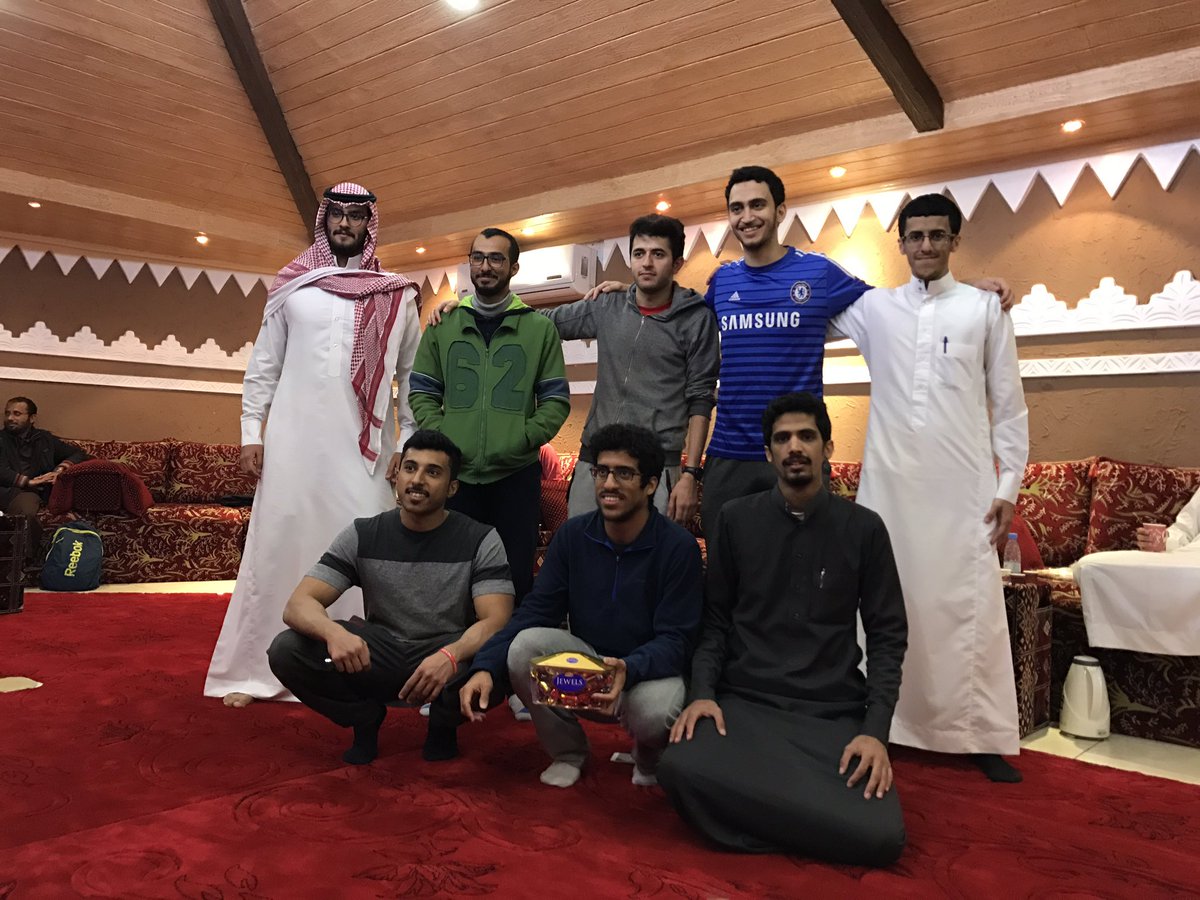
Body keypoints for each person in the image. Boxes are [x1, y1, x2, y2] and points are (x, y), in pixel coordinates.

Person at [657, 392, 907, 866]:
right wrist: (703, 694)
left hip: (829, 710)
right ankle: (810, 820)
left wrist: (875, 731)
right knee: (677, 768)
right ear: (768, 453)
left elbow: (888, 635)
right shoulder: (735, 519)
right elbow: (715, 620)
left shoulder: (865, 529)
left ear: (826, 448)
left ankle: (753, 818)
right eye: (782, 438)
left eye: (806, 436)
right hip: (747, 702)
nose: (794, 447)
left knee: (883, 837)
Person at [696, 166, 1013, 539]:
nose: (747, 217)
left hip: (798, 453)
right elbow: (684, 328)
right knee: (724, 569)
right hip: (729, 454)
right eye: (737, 208)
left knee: (806, 567)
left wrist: (958, 289)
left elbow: (898, 307)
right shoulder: (722, 281)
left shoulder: (819, 272)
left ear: (780, 211)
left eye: (757, 205)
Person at [830, 194, 1029, 783]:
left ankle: (976, 734)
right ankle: (879, 722)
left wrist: (1009, 484)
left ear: (954, 241)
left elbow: (1009, 405)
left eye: (936, 235)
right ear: (901, 244)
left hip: (963, 488)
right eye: (914, 236)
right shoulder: (873, 308)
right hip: (888, 486)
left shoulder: (984, 308)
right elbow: (803, 309)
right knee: (883, 602)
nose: (924, 246)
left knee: (966, 606)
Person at [205, 183, 422, 708]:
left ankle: (368, 673)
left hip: (367, 450)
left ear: (369, 224)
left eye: (356, 216)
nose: (345, 223)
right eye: (337, 214)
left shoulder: (397, 296)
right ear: (324, 220)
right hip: (292, 444)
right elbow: (264, 367)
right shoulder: (293, 288)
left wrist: (409, 444)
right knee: (278, 545)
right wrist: (251, 433)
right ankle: (258, 669)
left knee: (366, 549)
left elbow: (413, 378)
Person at [429, 215, 719, 527]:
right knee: (582, 550)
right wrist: (471, 309)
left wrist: (690, 474)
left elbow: (701, 399)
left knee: (649, 556)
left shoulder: (695, 318)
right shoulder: (607, 305)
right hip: (594, 462)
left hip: (656, 467)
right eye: (639, 253)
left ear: (677, 263)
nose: (646, 263)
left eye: (658, 254)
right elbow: (540, 322)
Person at [459, 423, 703, 788]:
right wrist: (486, 667)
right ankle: (569, 753)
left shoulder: (678, 547)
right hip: (589, 669)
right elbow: (534, 613)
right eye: (602, 472)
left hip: (647, 673)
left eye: (624, 473)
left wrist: (629, 668)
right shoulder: (573, 536)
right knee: (524, 647)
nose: (609, 484)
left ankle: (648, 756)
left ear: (650, 485)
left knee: (657, 713)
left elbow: (677, 640)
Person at [267, 430, 514, 765]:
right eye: (410, 468)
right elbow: (298, 604)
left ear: (452, 488)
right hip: (378, 654)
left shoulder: (481, 539)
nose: (418, 480)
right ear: (397, 476)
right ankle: (364, 717)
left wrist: (451, 655)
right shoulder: (363, 533)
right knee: (287, 650)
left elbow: (496, 621)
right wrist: (334, 633)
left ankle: (443, 725)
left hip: (448, 655)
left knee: (507, 658)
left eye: (433, 472)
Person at [409, 227, 570, 607]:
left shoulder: (539, 329)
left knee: (513, 579)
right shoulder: (442, 325)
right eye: (478, 257)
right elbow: (422, 392)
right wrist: (445, 437)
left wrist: (523, 438)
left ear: (513, 267)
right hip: (456, 477)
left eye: (496, 258)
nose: (485, 266)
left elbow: (555, 400)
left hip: (516, 477)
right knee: (452, 577)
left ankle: (506, 646)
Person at [0, 397, 88, 561]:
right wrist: (27, 481)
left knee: (25, 515)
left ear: (32, 418)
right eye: (7, 413)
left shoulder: (44, 439)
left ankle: (21, 563)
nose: (10, 418)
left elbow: (79, 454)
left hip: (28, 493)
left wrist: (59, 470)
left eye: (17, 414)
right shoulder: (1, 439)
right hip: (6, 489)